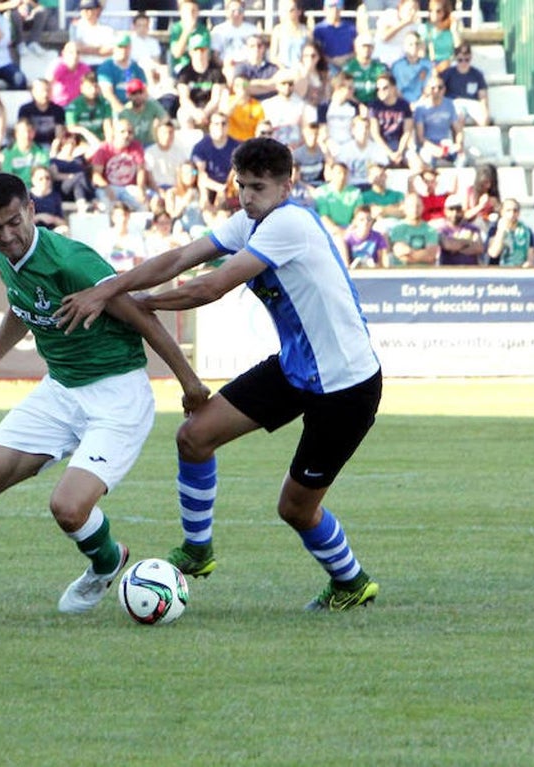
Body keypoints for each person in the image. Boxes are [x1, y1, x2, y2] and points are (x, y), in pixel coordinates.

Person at [55, 137, 383, 612]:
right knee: (194, 435)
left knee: (295, 508)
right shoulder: (249, 219)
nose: (247, 197)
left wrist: (134, 303)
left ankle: (351, 582)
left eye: (258, 187)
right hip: (297, 370)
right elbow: (177, 260)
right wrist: (112, 288)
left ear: (286, 186)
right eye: (241, 186)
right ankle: (197, 550)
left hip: (346, 387)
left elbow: (210, 286)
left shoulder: (288, 223)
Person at [0, 171, 209, 620]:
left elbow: (143, 319)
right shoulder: (3, 255)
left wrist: (189, 383)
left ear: (32, 209)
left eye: (15, 222)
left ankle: (107, 561)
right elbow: (22, 309)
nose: (8, 235)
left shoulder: (72, 261)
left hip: (117, 396)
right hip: (60, 390)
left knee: (68, 509)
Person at [440, 43, 489, 127]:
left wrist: (485, 110)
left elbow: (482, 95)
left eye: (467, 60)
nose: (463, 63)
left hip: (472, 102)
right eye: (460, 60)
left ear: (470, 57)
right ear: (456, 58)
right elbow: (439, 89)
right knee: (459, 118)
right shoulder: (448, 73)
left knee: (484, 120)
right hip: (454, 101)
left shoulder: (477, 74)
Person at [386, 192, 440, 267]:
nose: (415, 209)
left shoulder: (430, 230)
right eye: (411, 206)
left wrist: (409, 251)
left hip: (426, 274)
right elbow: (401, 254)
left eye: (418, 206)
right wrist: (423, 254)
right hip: (402, 274)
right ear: (404, 208)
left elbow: (430, 256)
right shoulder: (397, 229)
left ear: (423, 207)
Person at [437, 194, 485, 266]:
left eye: (458, 209)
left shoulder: (473, 228)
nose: (455, 213)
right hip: (449, 271)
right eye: (451, 209)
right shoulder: (441, 229)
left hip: (471, 272)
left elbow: (479, 248)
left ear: (462, 211)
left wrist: (457, 246)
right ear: (445, 211)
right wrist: (468, 242)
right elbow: (448, 245)